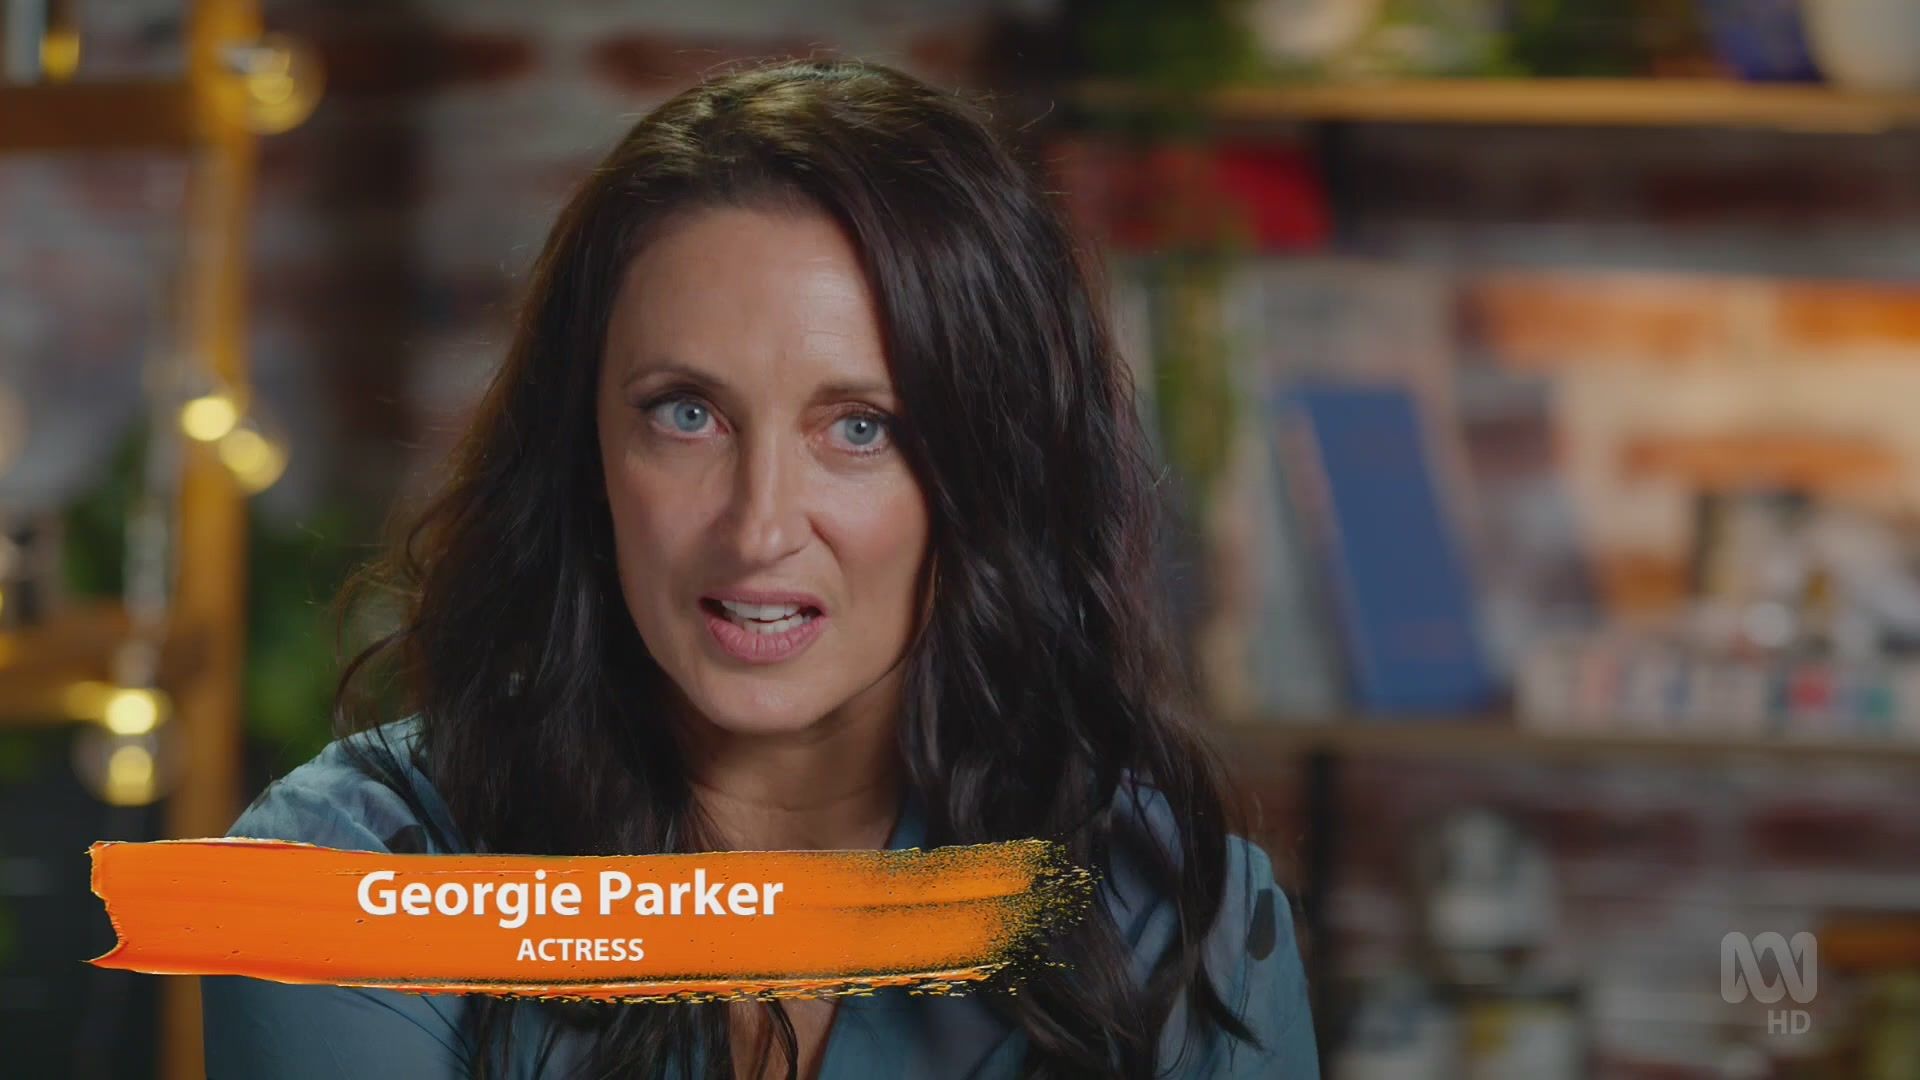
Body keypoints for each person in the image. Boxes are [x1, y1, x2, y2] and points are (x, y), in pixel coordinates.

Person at [201, 58, 1318, 1080]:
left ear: (990, 467)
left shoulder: (1174, 920)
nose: (759, 527)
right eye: (686, 414)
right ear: (586, 449)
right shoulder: (341, 882)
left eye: (861, 427)